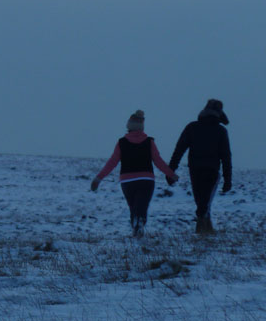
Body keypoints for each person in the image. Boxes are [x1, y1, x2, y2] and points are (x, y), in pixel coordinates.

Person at [91, 110, 178, 238]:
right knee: (142, 205)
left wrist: (98, 178)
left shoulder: (121, 142)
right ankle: (140, 223)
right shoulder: (149, 142)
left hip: (127, 181)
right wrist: (171, 174)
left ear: (129, 126)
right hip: (146, 179)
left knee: (133, 206)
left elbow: (112, 162)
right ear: (142, 126)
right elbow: (158, 161)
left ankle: (136, 226)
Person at [168, 99, 232, 234]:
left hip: (195, 169)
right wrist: (227, 179)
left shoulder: (192, 127)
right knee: (205, 201)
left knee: (201, 200)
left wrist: (171, 170)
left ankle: (204, 228)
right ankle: (204, 228)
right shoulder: (221, 131)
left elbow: (179, 150)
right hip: (212, 170)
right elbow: (226, 156)